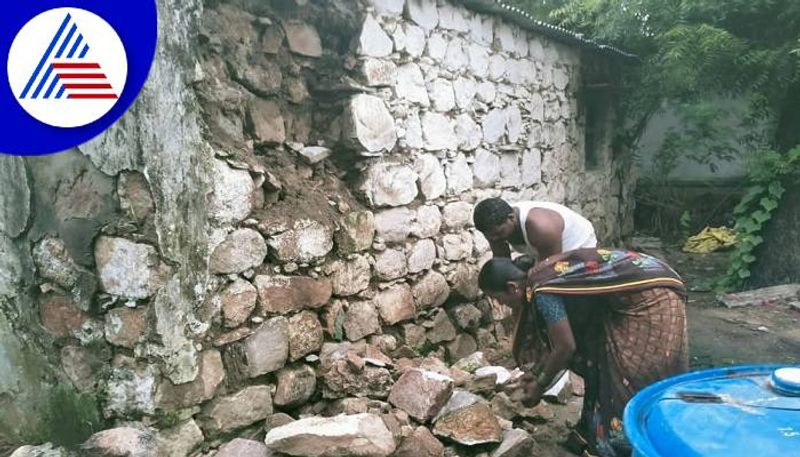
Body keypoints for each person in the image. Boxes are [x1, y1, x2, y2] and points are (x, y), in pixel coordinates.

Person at [478, 248, 689, 457]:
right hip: (637, 290)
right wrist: (537, 373)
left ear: (512, 288)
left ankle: (635, 445)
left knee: (630, 375)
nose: (499, 305)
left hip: (654, 298)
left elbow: (565, 346)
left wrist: (540, 385)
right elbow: (564, 339)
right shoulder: (538, 278)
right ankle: (595, 434)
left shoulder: (542, 292)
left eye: (497, 298)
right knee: (603, 361)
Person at [473, 198, 598, 265]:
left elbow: (550, 269)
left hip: (578, 247)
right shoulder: (493, 227)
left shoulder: (540, 227)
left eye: (499, 234)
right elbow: (502, 263)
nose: (495, 239)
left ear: (511, 218)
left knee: (544, 291)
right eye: (490, 236)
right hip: (545, 255)